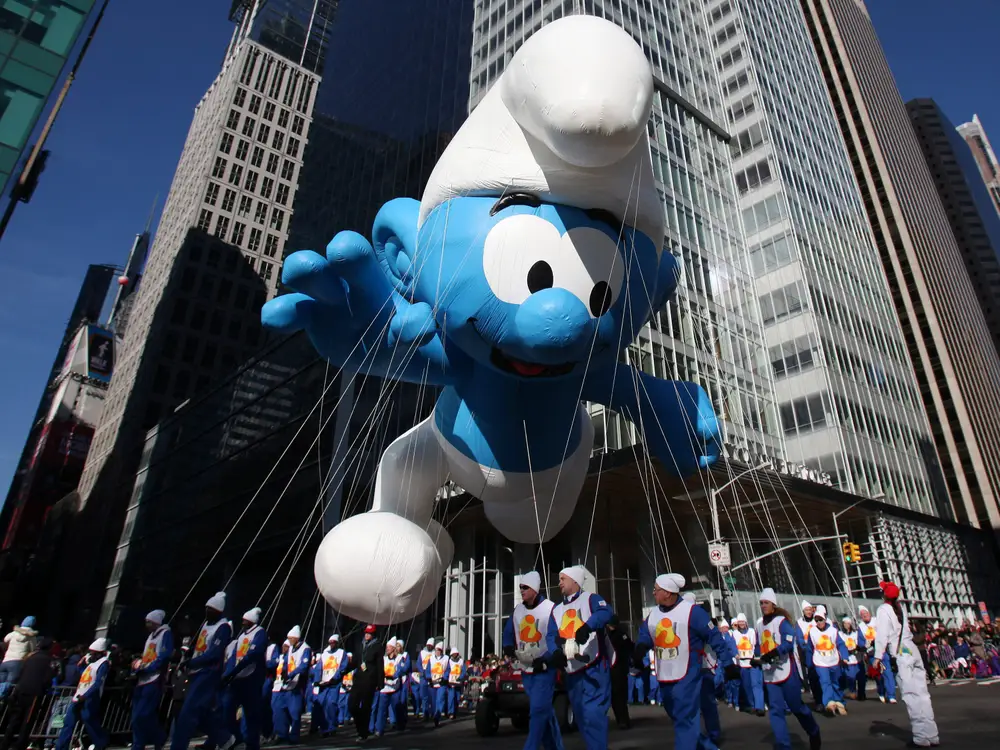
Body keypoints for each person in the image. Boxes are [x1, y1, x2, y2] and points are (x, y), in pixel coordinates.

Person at [633, 573, 738, 750]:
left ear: (668, 593)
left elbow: (715, 638)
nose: (653, 593)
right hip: (664, 673)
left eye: (656, 590)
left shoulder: (693, 612)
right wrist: (641, 647)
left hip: (687, 674)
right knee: (679, 717)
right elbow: (646, 634)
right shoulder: (654, 613)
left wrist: (728, 664)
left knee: (685, 719)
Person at [550, 565, 612, 750]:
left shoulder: (591, 599)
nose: (559, 582)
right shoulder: (557, 609)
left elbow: (605, 612)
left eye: (563, 579)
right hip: (572, 671)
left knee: (594, 715)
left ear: (575, 581)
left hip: (594, 668)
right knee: (581, 717)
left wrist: (587, 627)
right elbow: (551, 634)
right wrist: (555, 651)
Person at [502, 570, 563, 750]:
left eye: (525, 587)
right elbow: (508, 632)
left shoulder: (550, 608)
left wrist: (548, 659)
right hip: (525, 668)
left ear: (535, 589)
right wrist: (507, 647)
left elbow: (556, 637)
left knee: (537, 711)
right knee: (545, 712)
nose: (521, 590)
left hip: (544, 668)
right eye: (520, 587)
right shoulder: (518, 610)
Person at [753, 589, 821, 750]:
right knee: (776, 711)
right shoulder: (759, 624)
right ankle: (783, 745)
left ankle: (813, 731)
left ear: (773, 604)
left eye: (766, 603)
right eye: (761, 603)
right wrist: (756, 659)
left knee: (796, 706)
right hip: (770, 674)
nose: (763, 606)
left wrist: (774, 653)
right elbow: (758, 646)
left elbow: (789, 641)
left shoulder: (781, 621)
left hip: (786, 671)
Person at [874, 581, 939, 748]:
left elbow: (882, 635)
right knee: (923, 695)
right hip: (912, 650)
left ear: (883, 594)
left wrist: (877, 656)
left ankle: (920, 737)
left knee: (911, 696)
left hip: (901, 654)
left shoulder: (883, 610)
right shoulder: (901, 608)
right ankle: (932, 735)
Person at [171, 592, 234, 750]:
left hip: (208, 673)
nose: (206, 612)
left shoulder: (223, 627)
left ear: (218, 610)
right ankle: (225, 738)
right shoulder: (206, 625)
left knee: (188, 713)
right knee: (202, 712)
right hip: (196, 672)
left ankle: (178, 746)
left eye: (210, 609)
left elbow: (214, 653)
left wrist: (192, 662)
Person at [221, 608, 267, 750]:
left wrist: (236, 669)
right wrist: (229, 674)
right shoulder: (241, 636)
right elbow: (235, 656)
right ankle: (236, 736)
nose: (243, 623)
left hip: (252, 678)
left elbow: (254, 654)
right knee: (227, 708)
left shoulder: (260, 633)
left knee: (251, 713)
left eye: (245, 621)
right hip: (238, 678)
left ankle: (252, 744)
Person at [0, 636, 56, 750]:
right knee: (27, 721)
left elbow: (21, 672)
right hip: (34, 693)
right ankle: (19, 746)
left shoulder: (30, 657)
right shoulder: (49, 660)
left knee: (14, 720)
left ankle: (4, 744)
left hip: (20, 690)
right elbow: (48, 678)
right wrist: (44, 687)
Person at [56, 639, 111, 750]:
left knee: (90, 722)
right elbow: (85, 677)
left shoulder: (103, 663)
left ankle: (101, 743)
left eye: (93, 652)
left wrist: (86, 696)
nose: (90, 654)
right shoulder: (91, 664)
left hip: (90, 698)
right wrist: (80, 666)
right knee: (68, 722)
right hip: (79, 696)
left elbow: (98, 683)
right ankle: (61, 747)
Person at [132, 610, 173, 750]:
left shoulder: (165, 634)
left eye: (149, 622)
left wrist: (148, 668)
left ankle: (159, 736)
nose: (147, 625)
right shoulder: (150, 637)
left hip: (154, 679)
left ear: (156, 622)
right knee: (136, 716)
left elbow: (163, 656)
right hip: (142, 679)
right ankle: (139, 744)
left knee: (143, 715)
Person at [806, 605, 848, 715]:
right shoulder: (812, 632)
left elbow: (841, 644)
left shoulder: (833, 631)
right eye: (817, 620)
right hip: (820, 661)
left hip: (833, 660)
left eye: (821, 620)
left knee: (836, 682)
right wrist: (809, 663)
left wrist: (845, 657)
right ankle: (829, 703)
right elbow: (809, 648)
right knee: (825, 682)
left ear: (825, 619)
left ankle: (839, 701)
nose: (819, 622)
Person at [272, 625, 311, 744]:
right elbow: (286, 663)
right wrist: (284, 673)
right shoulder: (290, 648)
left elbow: (303, 667)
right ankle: (281, 734)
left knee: (295, 711)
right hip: (286, 684)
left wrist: (291, 674)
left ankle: (294, 736)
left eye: (290, 638)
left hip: (297, 684)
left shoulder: (305, 649)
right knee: (279, 709)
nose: (288, 641)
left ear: (296, 638)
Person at [348, 624, 384, 741]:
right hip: (358, 679)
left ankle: (363, 732)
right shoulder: (360, 645)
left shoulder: (377, 647)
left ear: (373, 635)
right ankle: (360, 726)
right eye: (366, 633)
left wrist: (380, 682)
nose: (367, 635)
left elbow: (380, 665)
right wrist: (344, 670)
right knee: (352, 705)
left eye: (369, 633)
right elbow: (355, 661)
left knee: (366, 707)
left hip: (370, 680)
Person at [732, 613, 765, 715]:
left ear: (746, 622)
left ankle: (760, 706)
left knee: (756, 684)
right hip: (742, 663)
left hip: (753, 661)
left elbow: (757, 644)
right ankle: (751, 705)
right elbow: (731, 645)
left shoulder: (751, 632)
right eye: (740, 622)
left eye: (743, 621)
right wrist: (735, 653)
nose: (741, 624)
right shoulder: (735, 634)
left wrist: (758, 655)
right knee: (747, 685)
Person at [605, 614, 633, 730]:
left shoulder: (620, 635)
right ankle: (620, 720)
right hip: (613, 668)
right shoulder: (609, 635)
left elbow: (630, 647)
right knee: (616, 697)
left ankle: (623, 720)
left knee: (619, 696)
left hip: (618, 668)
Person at [0, 617, 38, 698]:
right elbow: (33, 649)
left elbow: (5, 640)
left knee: (1, 683)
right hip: (17, 662)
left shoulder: (13, 633)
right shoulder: (31, 636)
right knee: (9, 686)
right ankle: (3, 704)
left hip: (5, 661)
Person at [316, 634, 347, 734]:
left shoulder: (342, 653)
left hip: (334, 684)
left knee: (331, 704)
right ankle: (323, 728)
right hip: (323, 683)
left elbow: (343, 667)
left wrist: (335, 678)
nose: (332, 644)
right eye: (330, 642)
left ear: (337, 643)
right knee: (322, 704)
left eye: (334, 642)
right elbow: (319, 667)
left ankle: (332, 726)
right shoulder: (324, 654)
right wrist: (317, 680)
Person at [795, 601, 820, 705]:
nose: (809, 612)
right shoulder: (799, 622)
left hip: (819, 649)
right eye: (807, 610)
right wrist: (805, 648)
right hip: (807, 651)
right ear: (803, 611)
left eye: (810, 610)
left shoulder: (817, 620)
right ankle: (816, 695)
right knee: (811, 673)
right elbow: (799, 637)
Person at [838, 617, 865, 700]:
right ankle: (852, 691)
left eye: (848, 623)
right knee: (851, 677)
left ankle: (861, 694)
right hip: (848, 660)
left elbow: (861, 642)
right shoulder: (840, 634)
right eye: (845, 623)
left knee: (861, 677)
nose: (847, 625)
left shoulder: (856, 633)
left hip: (857, 658)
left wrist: (859, 647)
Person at [425, 641, 449, 727]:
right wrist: (429, 678)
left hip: (441, 683)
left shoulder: (446, 659)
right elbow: (427, 670)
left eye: (439, 650)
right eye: (436, 650)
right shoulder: (431, 659)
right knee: (433, 701)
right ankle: (434, 714)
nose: (437, 652)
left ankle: (437, 716)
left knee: (440, 699)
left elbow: (447, 670)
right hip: (432, 683)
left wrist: (445, 678)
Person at [858, 605, 878, 701]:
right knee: (877, 673)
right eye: (862, 615)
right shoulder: (861, 627)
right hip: (870, 652)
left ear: (869, 613)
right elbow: (861, 641)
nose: (864, 616)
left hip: (881, 648)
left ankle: (890, 695)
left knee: (885, 671)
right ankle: (881, 690)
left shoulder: (876, 620)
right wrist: (864, 647)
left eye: (865, 613)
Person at [446, 647, 466, 718]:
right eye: (453, 654)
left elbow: (463, 671)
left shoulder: (461, 661)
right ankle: (450, 712)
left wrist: (460, 677)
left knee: (457, 698)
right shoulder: (449, 661)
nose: (454, 655)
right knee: (451, 697)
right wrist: (447, 678)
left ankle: (455, 711)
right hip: (451, 682)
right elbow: (447, 670)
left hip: (458, 682)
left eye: (455, 654)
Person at [417, 638, 435, 719]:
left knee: (431, 696)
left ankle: (432, 712)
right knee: (423, 696)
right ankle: (425, 712)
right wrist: (422, 672)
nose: (429, 647)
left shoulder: (434, 654)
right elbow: (418, 664)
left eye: (431, 645)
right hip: (423, 677)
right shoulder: (422, 653)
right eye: (428, 645)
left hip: (431, 677)